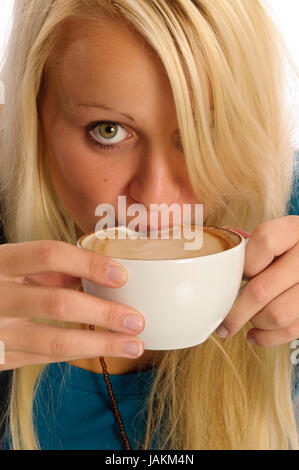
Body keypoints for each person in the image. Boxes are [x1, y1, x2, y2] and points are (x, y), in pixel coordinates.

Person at [0, 0, 298, 450]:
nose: (156, 200)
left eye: (207, 131)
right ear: (32, 114)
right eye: (108, 131)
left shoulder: (285, 220)